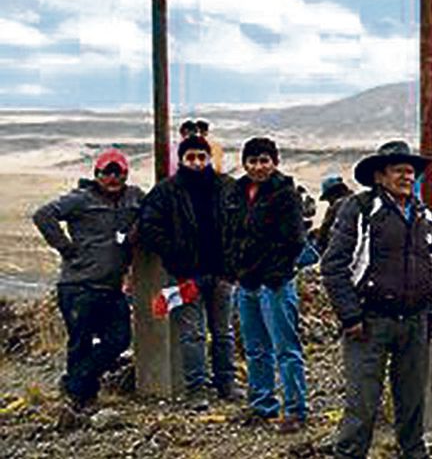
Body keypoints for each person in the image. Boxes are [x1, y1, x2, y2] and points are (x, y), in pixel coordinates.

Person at [321, 141, 432, 459]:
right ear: (380, 176)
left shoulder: (423, 214)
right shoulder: (360, 209)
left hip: (414, 321)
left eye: (410, 171)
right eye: (398, 170)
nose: (407, 176)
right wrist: (350, 316)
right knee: (362, 401)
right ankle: (349, 454)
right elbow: (334, 265)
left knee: (412, 399)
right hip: (369, 321)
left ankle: (413, 453)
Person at [32, 148, 144, 418]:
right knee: (80, 342)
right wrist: (66, 248)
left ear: (126, 175)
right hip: (78, 285)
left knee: (118, 339)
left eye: (119, 172)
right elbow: (43, 215)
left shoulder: (134, 198)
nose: (113, 177)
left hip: (112, 286)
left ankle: (74, 384)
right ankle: (81, 400)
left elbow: (152, 210)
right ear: (97, 174)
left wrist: (136, 232)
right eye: (108, 172)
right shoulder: (81, 199)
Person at [139, 134, 240, 410]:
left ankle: (226, 383)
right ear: (181, 160)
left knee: (223, 332)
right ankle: (197, 388)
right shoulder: (166, 190)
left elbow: (243, 224)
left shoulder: (227, 187)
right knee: (192, 334)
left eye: (201, 156)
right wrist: (174, 253)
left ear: (209, 158)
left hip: (222, 273)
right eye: (190, 157)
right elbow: (149, 226)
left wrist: (233, 261)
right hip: (186, 275)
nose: (196, 162)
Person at [223, 137, 309, 432]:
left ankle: (296, 409)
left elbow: (293, 240)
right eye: (253, 161)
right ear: (244, 162)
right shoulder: (236, 193)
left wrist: (274, 273)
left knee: (286, 348)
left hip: (274, 284)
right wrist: (235, 267)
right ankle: (262, 405)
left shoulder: (286, 195)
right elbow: (231, 234)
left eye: (264, 161)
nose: (258, 167)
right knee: (255, 348)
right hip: (246, 283)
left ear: (274, 162)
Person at [312, 173, 353, 256]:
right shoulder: (358, 202)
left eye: (328, 199)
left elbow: (323, 232)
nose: (329, 202)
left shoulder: (336, 206)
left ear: (333, 194)